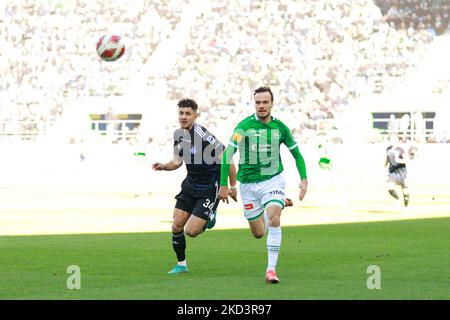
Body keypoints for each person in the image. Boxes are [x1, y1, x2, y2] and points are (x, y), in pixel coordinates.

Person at [218, 87, 308, 284]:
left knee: (274, 217)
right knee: (258, 233)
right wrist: (224, 184)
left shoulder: (281, 128)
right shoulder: (243, 127)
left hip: (272, 180)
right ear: (254, 104)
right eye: (258, 102)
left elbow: (297, 155)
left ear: (272, 104)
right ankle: (278, 202)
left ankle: (271, 270)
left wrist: (304, 179)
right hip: (248, 186)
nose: (261, 106)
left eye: (265, 102)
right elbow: (226, 155)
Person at [152, 99, 237, 274]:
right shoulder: (179, 135)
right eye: (181, 113)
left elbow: (227, 157)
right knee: (176, 226)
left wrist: (228, 186)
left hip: (208, 187)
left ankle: (209, 214)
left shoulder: (204, 135)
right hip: (190, 185)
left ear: (195, 115)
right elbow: (177, 161)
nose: (183, 117)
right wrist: (163, 166)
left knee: (191, 231)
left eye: (187, 113)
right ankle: (181, 265)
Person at [385, 133, 409, 207]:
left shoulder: (401, 149)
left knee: (405, 190)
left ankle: (406, 207)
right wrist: (385, 165)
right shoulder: (388, 149)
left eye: (394, 139)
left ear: (397, 140)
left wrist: (399, 160)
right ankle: (398, 199)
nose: (392, 140)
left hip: (401, 172)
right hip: (392, 172)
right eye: (391, 139)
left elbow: (407, 160)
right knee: (389, 187)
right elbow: (387, 158)